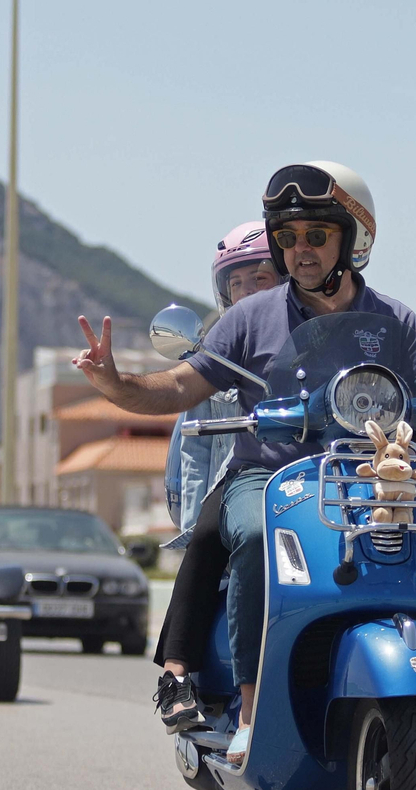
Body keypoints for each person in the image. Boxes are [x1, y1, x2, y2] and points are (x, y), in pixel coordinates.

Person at [75, 161, 416, 762]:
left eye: (317, 236)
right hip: (271, 477)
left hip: (370, 472)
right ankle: (250, 707)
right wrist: (114, 382)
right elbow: (177, 386)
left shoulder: (395, 321)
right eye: (290, 237)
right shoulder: (249, 317)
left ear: (353, 241)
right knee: (252, 533)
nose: (300, 250)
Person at [153, 221, 279, 732]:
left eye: (262, 279)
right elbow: (193, 450)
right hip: (245, 474)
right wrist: (193, 511)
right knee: (212, 534)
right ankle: (175, 674)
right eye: (237, 283)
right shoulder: (219, 354)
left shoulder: (313, 339)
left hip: (311, 473)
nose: (248, 292)